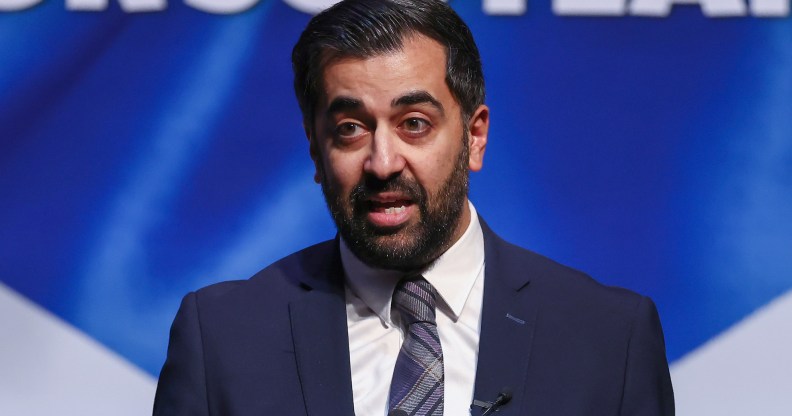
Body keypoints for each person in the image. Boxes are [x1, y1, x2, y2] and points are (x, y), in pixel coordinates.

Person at [153, 0, 675, 414]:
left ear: (474, 137)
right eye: (350, 129)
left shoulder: (610, 338)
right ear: (316, 151)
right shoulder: (222, 336)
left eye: (415, 124)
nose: (383, 163)